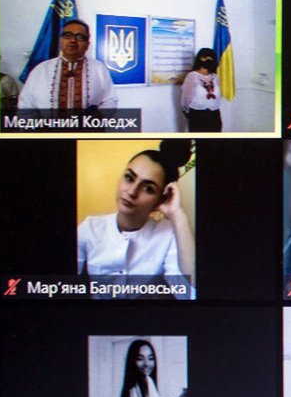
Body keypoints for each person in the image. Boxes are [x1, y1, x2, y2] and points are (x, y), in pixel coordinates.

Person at [77, 141, 195, 297]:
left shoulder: (169, 234)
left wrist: (177, 215)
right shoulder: (89, 228)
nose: (132, 192)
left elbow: (188, 292)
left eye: (148, 188)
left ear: (161, 199)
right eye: (129, 177)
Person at [17, 18, 119, 111]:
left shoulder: (99, 69)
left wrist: (98, 116)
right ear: (60, 41)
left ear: (87, 45)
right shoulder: (41, 70)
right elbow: (25, 104)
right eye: (68, 35)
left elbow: (110, 100)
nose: (73, 40)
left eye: (80, 37)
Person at [180, 47, 222, 132]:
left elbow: (218, 96)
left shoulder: (215, 77)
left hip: (214, 115)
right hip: (197, 115)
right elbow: (186, 97)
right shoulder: (192, 76)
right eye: (205, 57)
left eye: (210, 58)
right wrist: (187, 112)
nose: (208, 60)